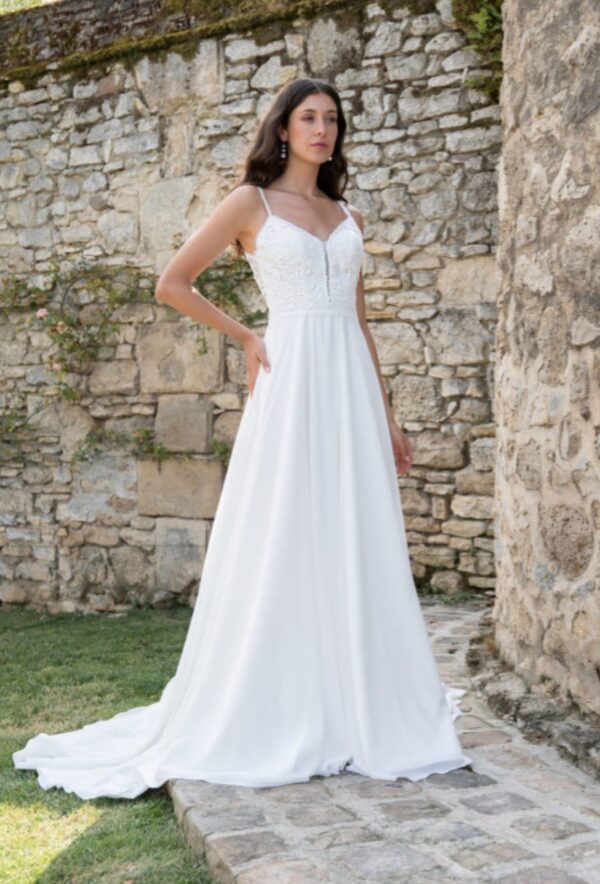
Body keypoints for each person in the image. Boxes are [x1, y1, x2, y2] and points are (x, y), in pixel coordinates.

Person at [13, 77, 473, 800]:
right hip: (290, 378)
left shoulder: (346, 213)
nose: (322, 129)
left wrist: (386, 416)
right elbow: (173, 282)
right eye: (308, 117)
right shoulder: (251, 203)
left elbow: (359, 323)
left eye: (331, 119)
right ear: (283, 129)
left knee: (354, 528)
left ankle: (360, 693)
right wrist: (248, 336)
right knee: (286, 524)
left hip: (349, 385)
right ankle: (281, 697)